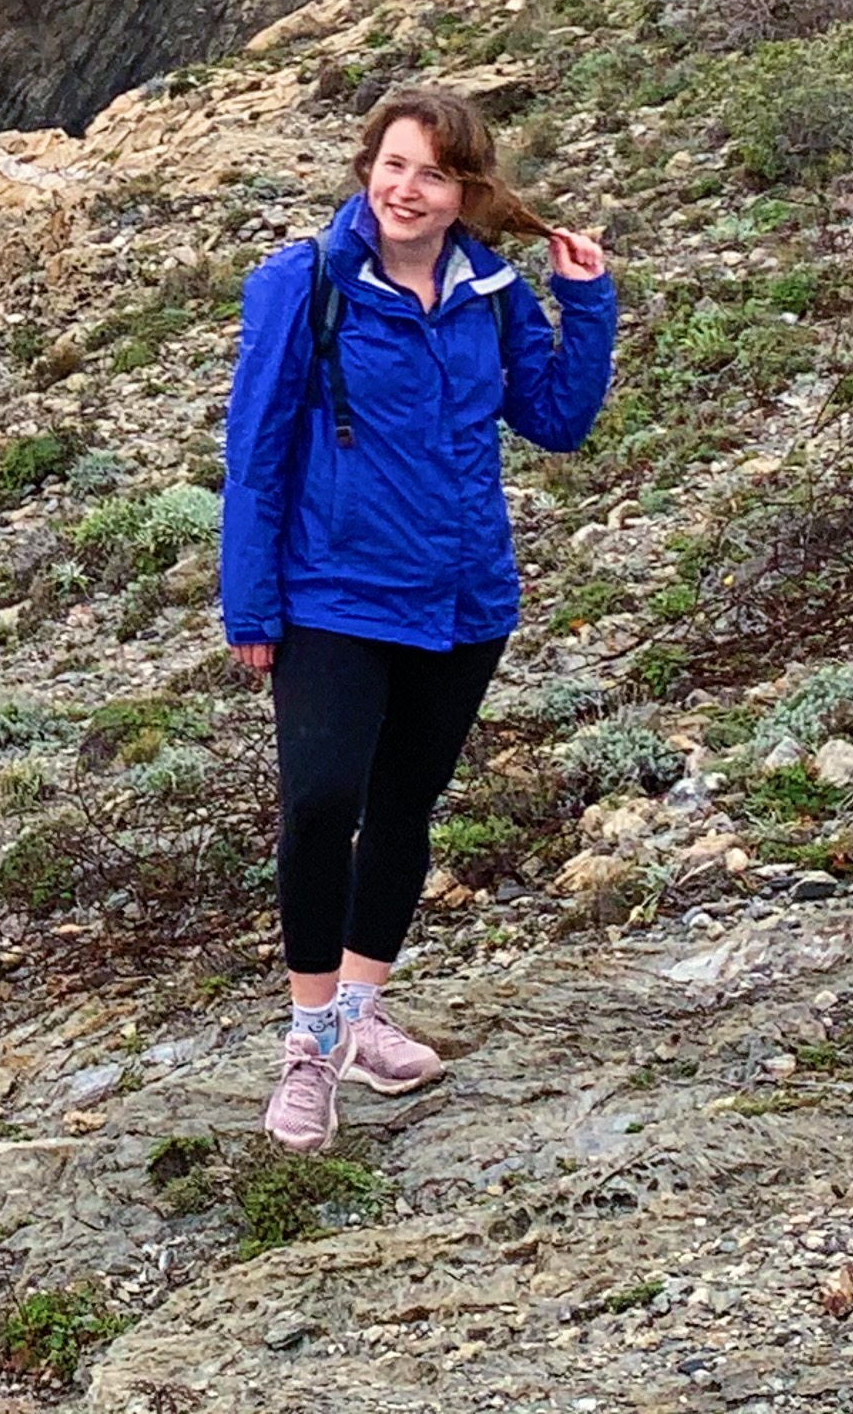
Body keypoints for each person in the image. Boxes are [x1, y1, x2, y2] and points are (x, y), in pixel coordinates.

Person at [217, 82, 616, 1152]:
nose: (407, 188)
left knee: (403, 807)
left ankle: (359, 1015)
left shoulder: (491, 290)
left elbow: (557, 421)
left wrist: (585, 304)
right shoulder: (302, 283)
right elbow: (254, 456)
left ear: (464, 192)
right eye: (393, 165)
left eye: (433, 174)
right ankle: (310, 1046)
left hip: (464, 599)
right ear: (366, 169)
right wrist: (251, 605)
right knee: (320, 805)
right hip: (332, 596)